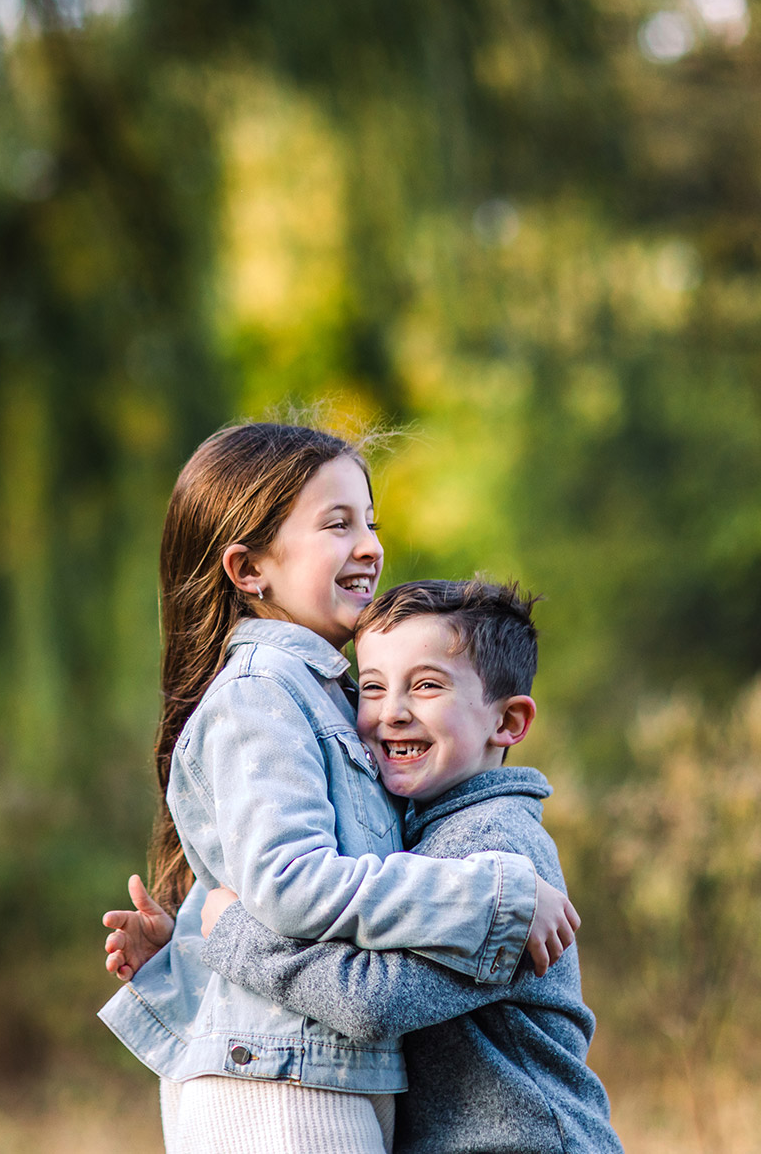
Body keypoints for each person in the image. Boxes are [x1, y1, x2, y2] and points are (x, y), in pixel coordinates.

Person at [97, 424, 581, 1154]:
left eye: (371, 521)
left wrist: (201, 935)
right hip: (283, 1082)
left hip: (308, 1075)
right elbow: (291, 884)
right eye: (338, 523)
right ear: (249, 568)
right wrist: (488, 899)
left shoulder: (326, 698)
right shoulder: (265, 694)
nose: (370, 545)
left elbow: (275, 892)